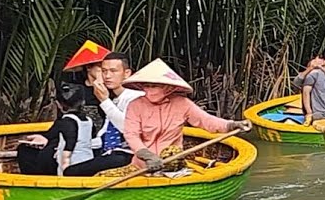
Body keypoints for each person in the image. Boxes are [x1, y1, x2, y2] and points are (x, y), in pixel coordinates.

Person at [121, 59, 251, 173]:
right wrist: (147, 156)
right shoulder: (135, 105)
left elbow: (206, 121)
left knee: (172, 158)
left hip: (173, 163)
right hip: (143, 165)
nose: (149, 91)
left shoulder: (182, 103)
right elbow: (131, 134)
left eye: (154, 86)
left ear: (167, 87)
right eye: (146, 86)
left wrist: (232, 125)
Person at [72, 50, 145, 175]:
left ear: (126, 73)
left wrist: (104, 101)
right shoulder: (115, 98)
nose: (107, 76)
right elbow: (104, 134)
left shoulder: (136, 97)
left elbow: (128, 129)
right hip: (109, 150)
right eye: (104, 71)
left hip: (130, 153)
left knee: (71, 172)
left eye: (113, 71)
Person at [17, 82, 97, 176]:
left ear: (58, 104)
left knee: (25, 151)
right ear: (83, 102)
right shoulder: (89, 121)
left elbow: (51, 137)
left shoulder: (63, 122)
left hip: (70, 164)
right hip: (88, 160)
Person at [62, 39, 110, 135]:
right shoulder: (75, 88)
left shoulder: (111, 88)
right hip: (78, 134)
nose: (104, 71)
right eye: (100, 67)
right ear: (88, 67)